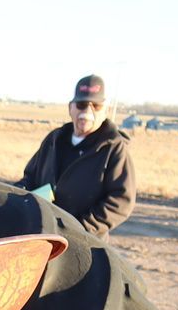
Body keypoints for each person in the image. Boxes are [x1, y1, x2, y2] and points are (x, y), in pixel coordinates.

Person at [20, 74, 137, 236]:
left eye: (95, 106)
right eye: (81, 105)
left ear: (106, 111)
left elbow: (121, 201)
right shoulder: (54, 140)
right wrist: (18, 201)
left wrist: (79, 229)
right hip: (42, 235)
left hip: (84, 244)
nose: (87, 112)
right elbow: (30, 178)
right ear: (70, 108)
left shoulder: (113, 148)